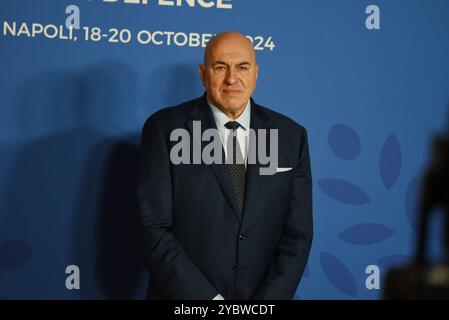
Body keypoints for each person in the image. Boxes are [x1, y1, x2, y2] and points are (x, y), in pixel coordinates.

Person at [137, 31, 313, 300]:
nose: (232, 78)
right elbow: (153, 230)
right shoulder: (164, 129)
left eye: (242, 67)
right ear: (203, 73)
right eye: (221, 67)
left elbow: (298, 235)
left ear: (256, 73)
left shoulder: (291, 136)